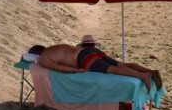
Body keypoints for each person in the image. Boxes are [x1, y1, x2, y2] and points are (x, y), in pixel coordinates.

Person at [31, 36, 163, 92]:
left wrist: (76, 71)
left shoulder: (43, 58)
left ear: (37, 54)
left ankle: (143, 76)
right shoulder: (54, 48)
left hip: (82, 59)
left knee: (112, 70)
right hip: (89, 51)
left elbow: (59, 68)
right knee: (121, 65)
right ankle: (150, 71)